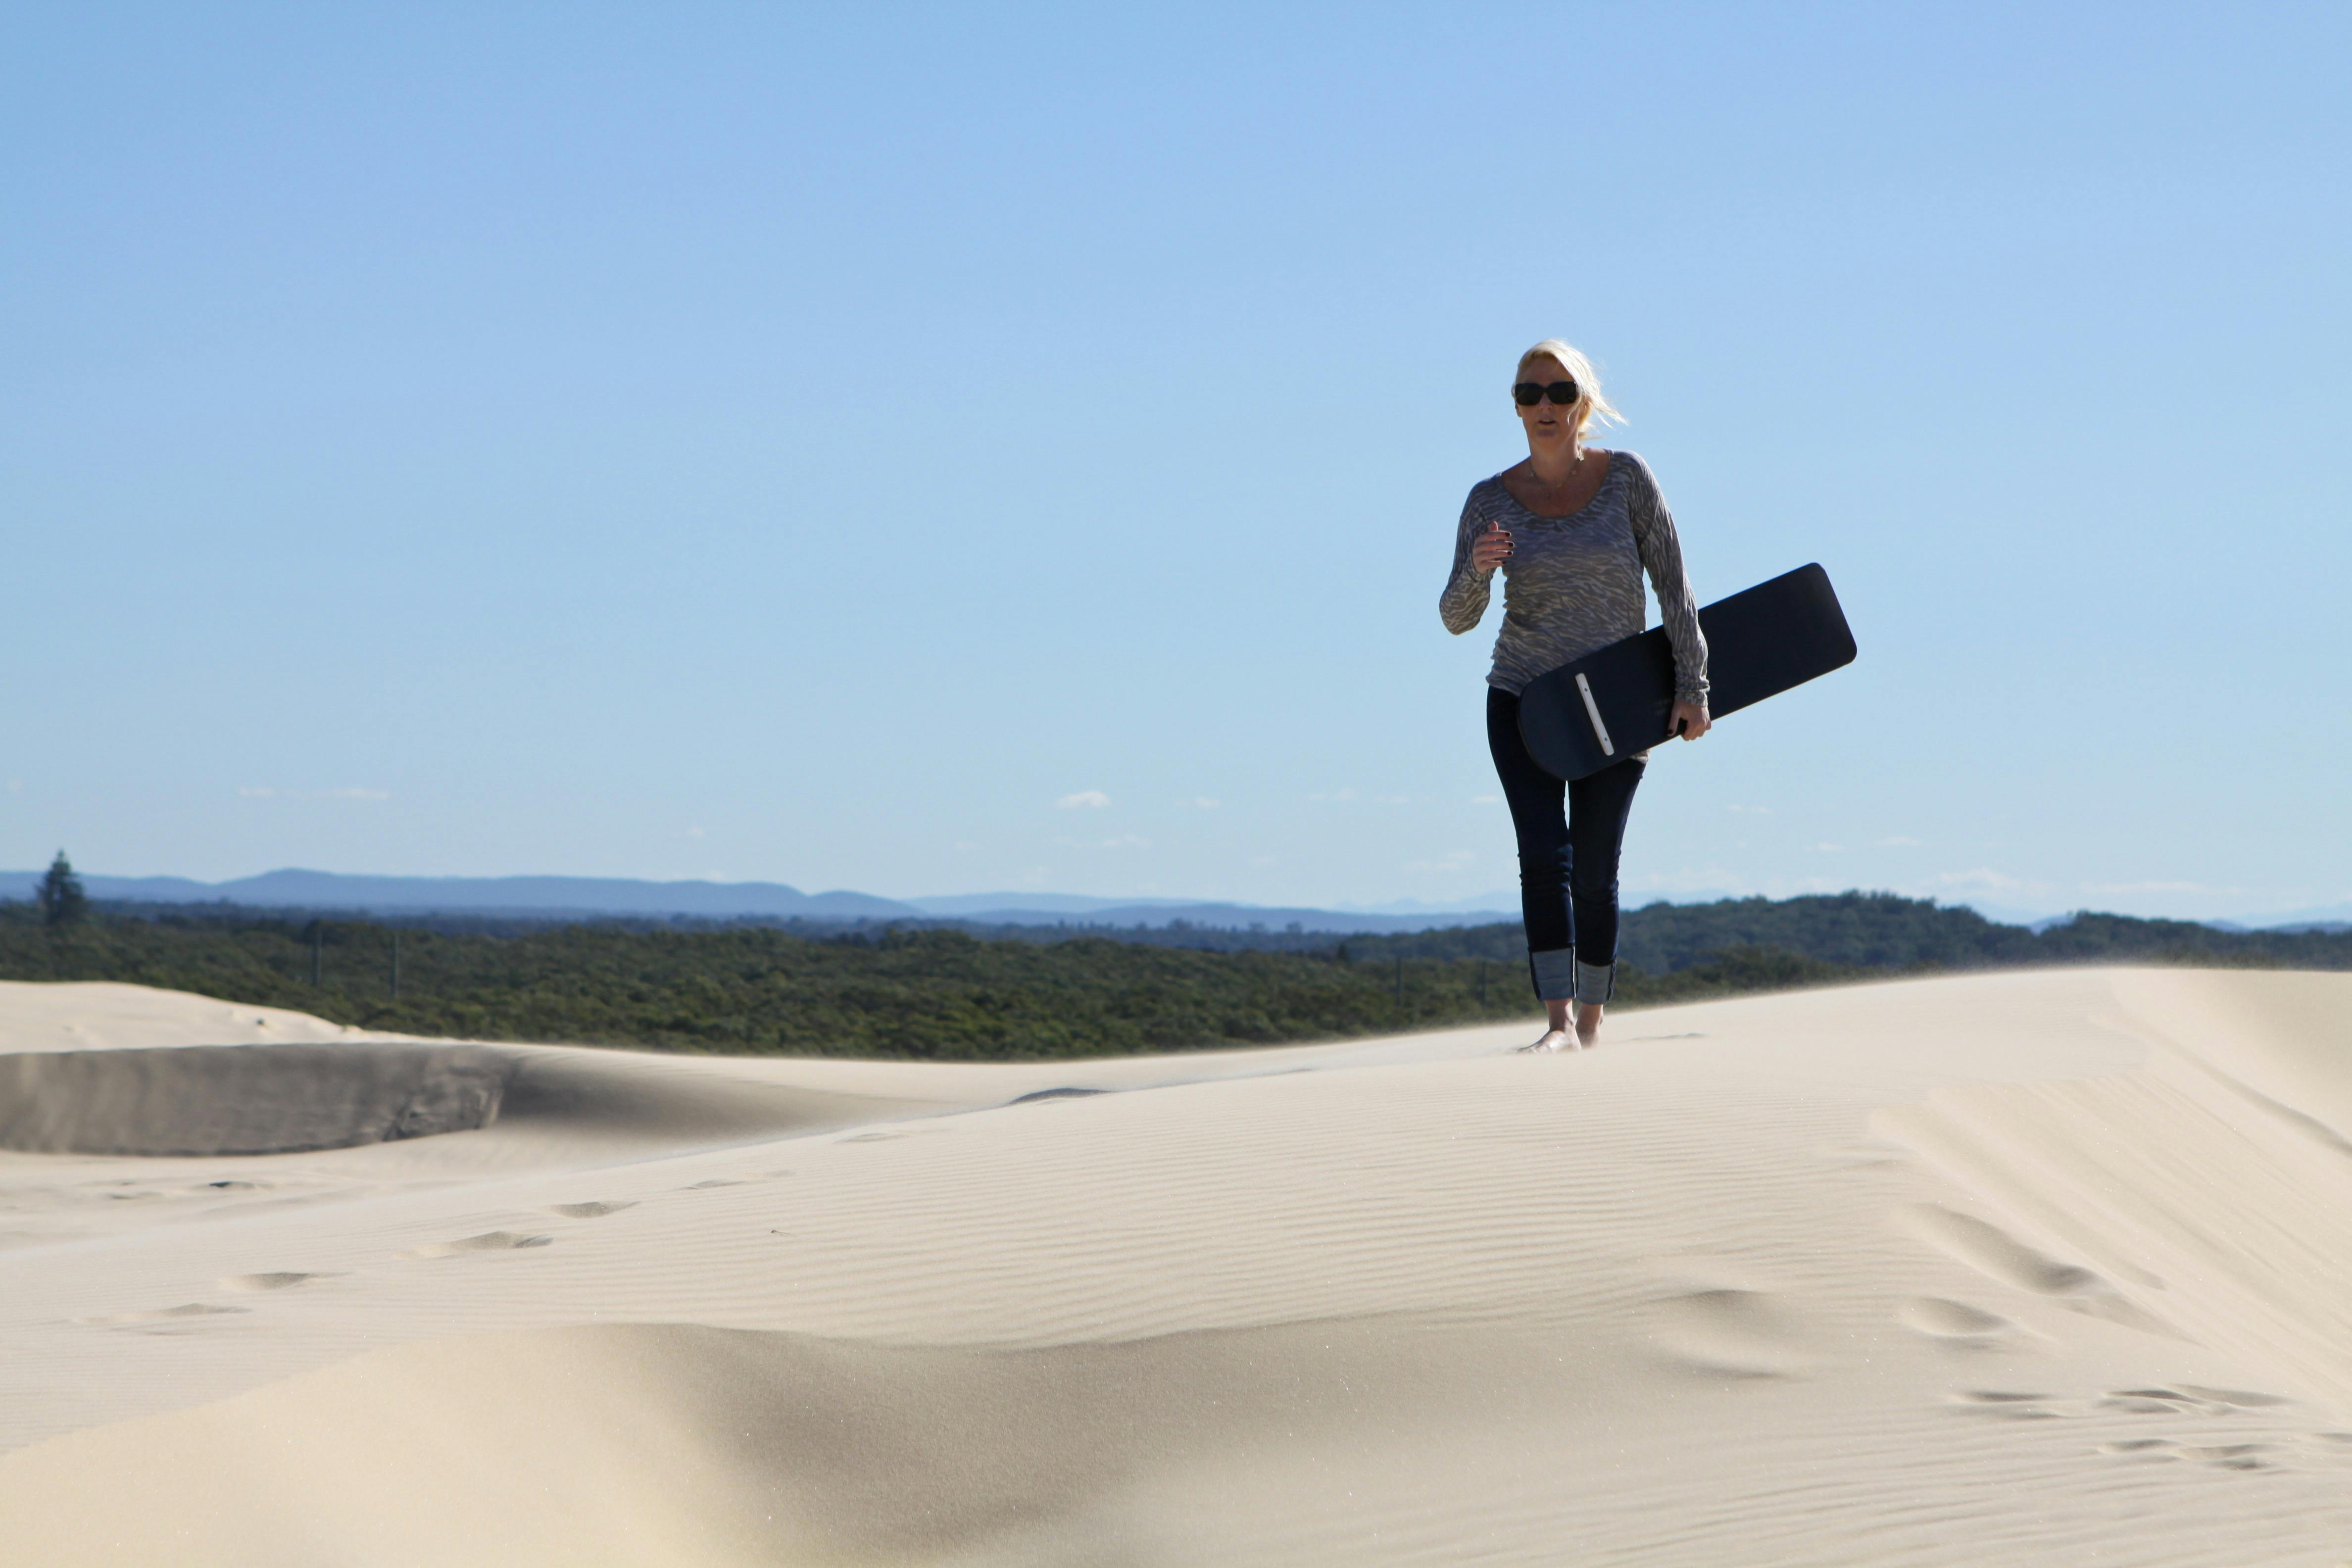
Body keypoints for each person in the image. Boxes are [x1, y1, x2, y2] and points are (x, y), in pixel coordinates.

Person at [1440, 340, 1710, 1052]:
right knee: (1543, 859)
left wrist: (1693, 685)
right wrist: (1476, 570)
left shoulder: (1627, 479)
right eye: (1529, 394)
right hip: (1523, 700)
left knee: (1594, 869)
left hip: (1617, 701)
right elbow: (1457, 618)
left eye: (1560, 393)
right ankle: (1558, 1022)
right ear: (1516, 407)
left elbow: (1674, 586)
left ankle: (1591, 1021)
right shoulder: (1490, 500)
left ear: (1583, 404)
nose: (1545, 406)